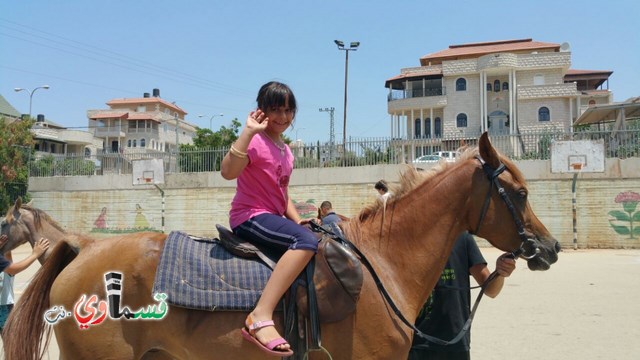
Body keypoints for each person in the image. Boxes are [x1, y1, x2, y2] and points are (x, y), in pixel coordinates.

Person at [221, 81, 316, 357]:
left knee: (309, 235)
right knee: (306, 242)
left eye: (288, 110)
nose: (283, 117)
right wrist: (248, 132)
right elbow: (228, 172)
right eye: (276, 109)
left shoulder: (286, 152)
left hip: (272, 217)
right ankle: (260, 315)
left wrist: (297, 220)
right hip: (249, 216)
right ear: (261, 110)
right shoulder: (255, 142)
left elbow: (282, 192)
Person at [408, 232, 516, 360]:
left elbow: (491, 290)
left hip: (456, 341)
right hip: (416, 342)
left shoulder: (463, 238)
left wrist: (500, 272)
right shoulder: (409, 237)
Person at [0, 234, 50, 333]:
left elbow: (10, 262)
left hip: (4, 304)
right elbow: (13, 269)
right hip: (3, 306)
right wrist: (35, 254)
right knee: (9, 341)